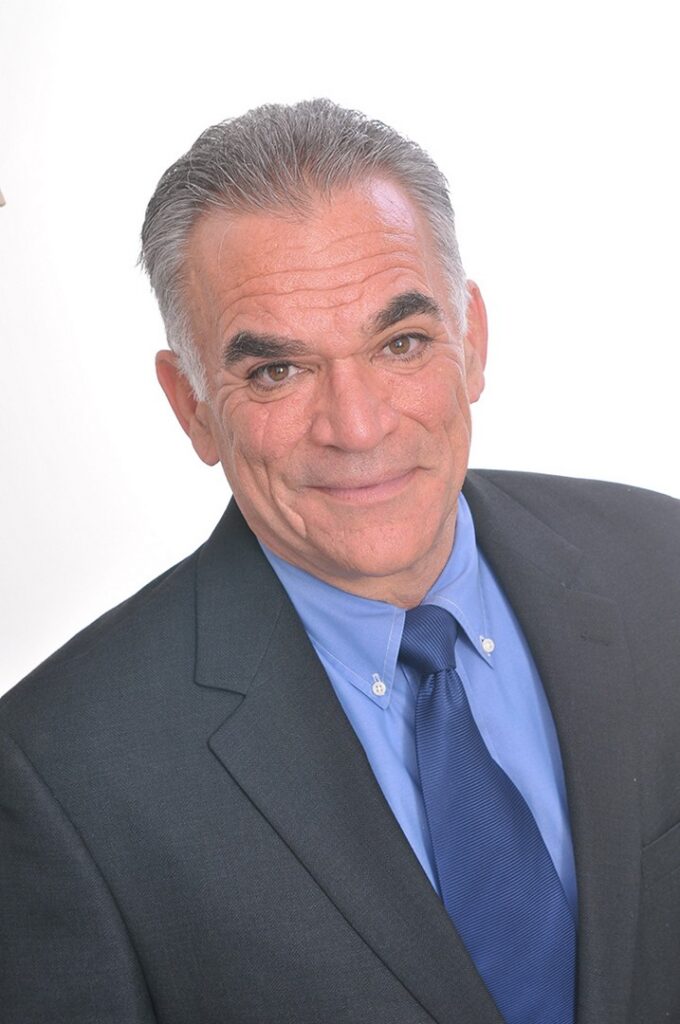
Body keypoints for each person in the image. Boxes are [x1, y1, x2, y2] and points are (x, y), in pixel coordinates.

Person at [1, 99, 679, 1024]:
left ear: (472, 340)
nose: (357, 427)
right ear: (192, 405)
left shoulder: (661, 569)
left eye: (401, 343)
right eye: (277, 371)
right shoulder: (61, 773)